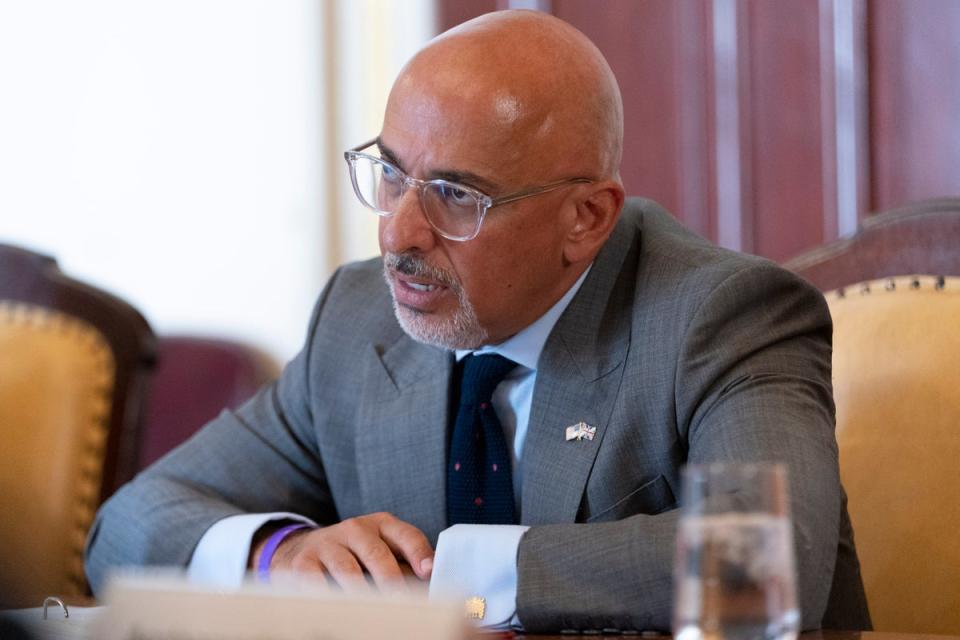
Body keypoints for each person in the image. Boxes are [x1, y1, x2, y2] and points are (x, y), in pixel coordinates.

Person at [85, 10, 870, 633]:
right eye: (391, 174)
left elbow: (764, 563)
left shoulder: (721, 317)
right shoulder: (359, 320)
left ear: (586, 219)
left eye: (457, 195)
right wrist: (278, 556)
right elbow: (128, 527)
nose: (396, 232)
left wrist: (452, 579)